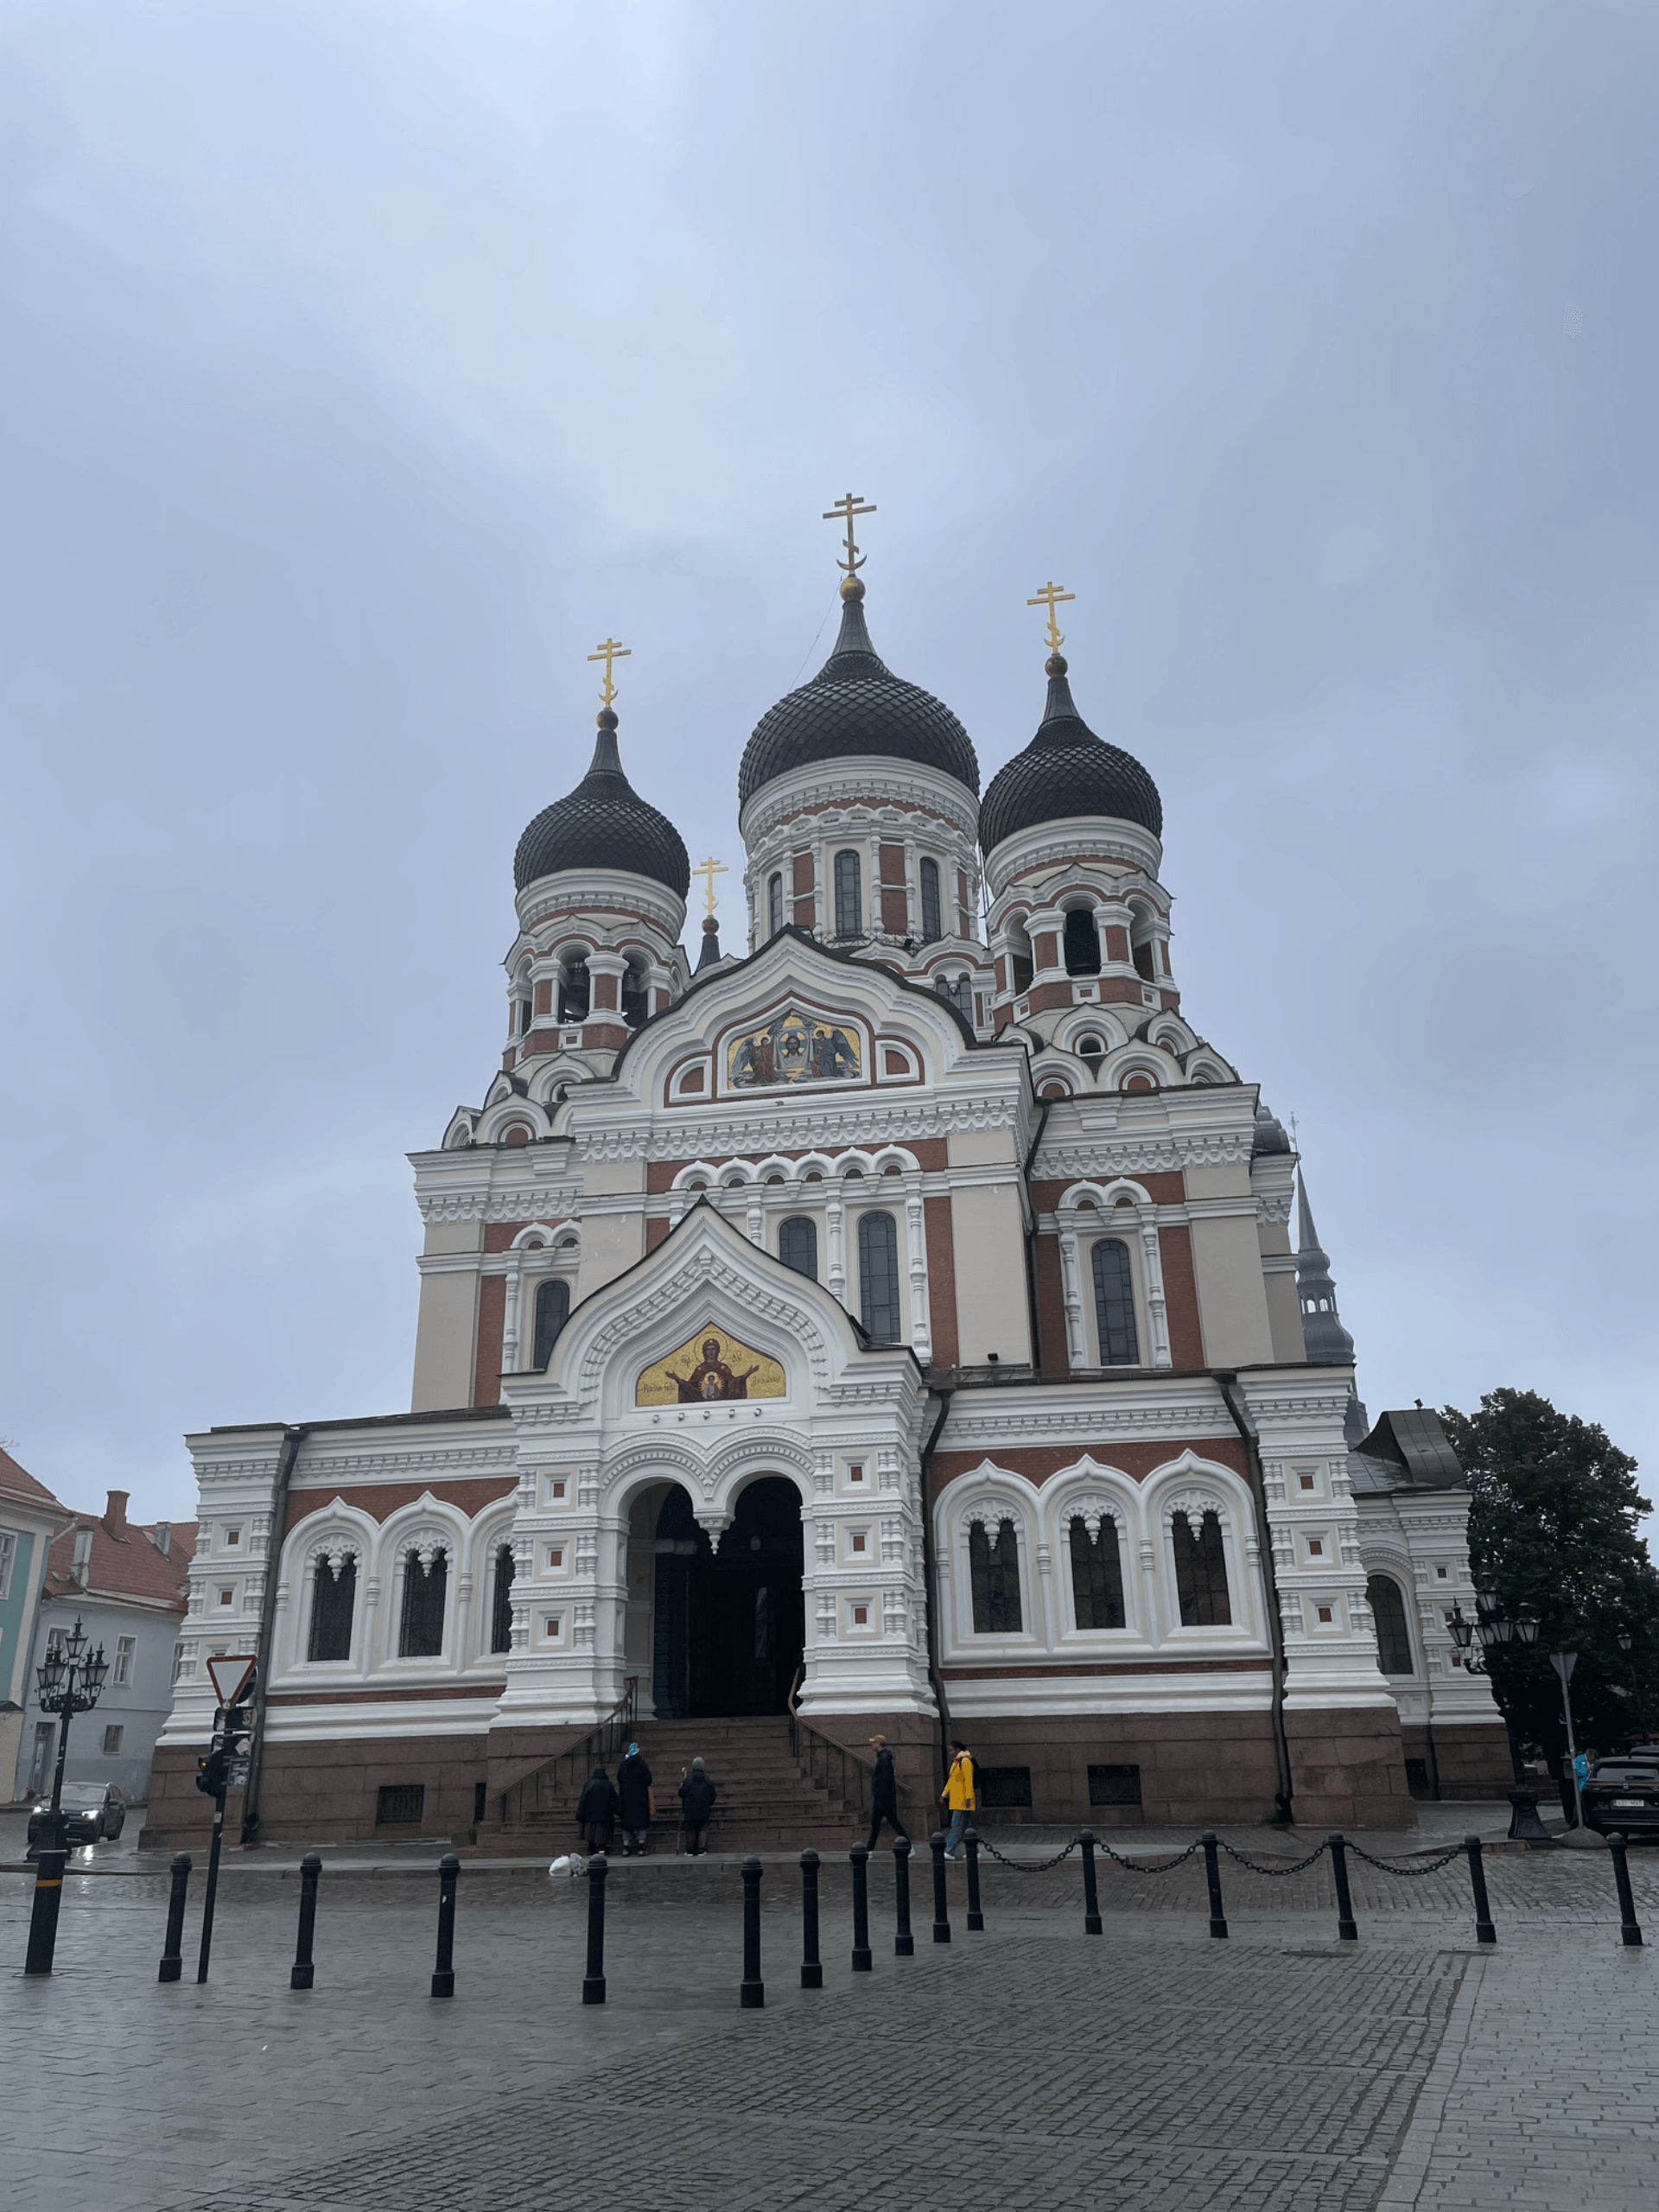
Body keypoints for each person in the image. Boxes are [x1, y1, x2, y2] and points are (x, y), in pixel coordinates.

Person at [864, 1733, 909, 1852]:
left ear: (878, 1744)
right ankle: (869, 1850)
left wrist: (880, 1798)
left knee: (891, 1822)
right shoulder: (883, 1757)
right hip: (883, 1798)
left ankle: (908, 1846)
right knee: (877, 1823)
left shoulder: (884, 1758)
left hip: (883, 1799)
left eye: (873, 1742)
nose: (872, 1745)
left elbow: (885, 1779)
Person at [616, 1740, 655, 1855]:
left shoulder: (623, 1765)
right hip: (640, 1798)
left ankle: (625, 1847)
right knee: (641, 1822)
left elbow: (619, 1779)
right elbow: (649, 1780)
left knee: (626, 1823)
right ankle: (641, 1846)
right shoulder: (642, 1764)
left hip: (626, 1797)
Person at [940, 1738, 976, 1858]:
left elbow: (968, 1781)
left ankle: (949, 1851)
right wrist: (944, 1794)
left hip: (962, 1800)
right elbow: (952, 1781)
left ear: (958, 1750)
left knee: (956, 1826)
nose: (950, 1753)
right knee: (967, 1827)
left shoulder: (965, 1762)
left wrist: (968, 1798)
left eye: (951, 1750)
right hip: (957, 1799)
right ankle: (974, 1851)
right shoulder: (956, 1762)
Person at [575, 1760, 620, 1854]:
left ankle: (591, 1849)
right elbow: (615, 1799)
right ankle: (602, 1849)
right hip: (605, 1815)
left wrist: (580, 1814)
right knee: (602, 1834)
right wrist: (619, 1811)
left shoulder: (589, 1784)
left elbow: (583, 1800)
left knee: (590, 1832)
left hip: (590, 1815)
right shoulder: (608, 1784)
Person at [677, 1755, 717, 1855]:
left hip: (689, 1809)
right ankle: (701, 1849)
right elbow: (713, 1794)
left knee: (690, 1830)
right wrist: (709, 1803)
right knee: (702, 1829)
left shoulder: (688, 1779)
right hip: (703, 1809)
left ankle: (690, 1850)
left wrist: (681, 1787)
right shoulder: (707, 1780)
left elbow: (681, 1793)